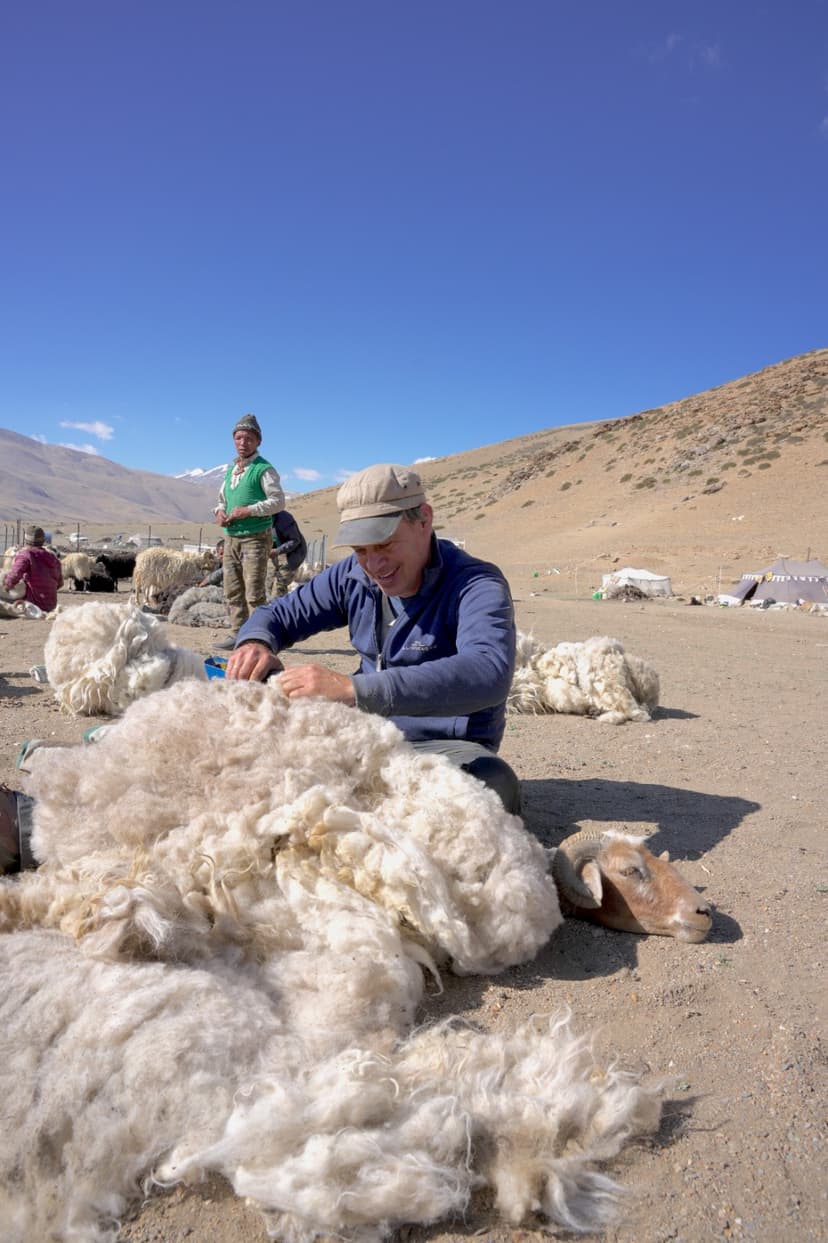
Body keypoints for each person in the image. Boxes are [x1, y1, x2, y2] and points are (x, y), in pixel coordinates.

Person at [226, 464, 521, 814]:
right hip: (361, 734)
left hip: (440, 748)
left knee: (488, 789)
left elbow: (487, 672)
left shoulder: (475, 584)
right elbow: (276, 615)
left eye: (384, 543)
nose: (373, 564)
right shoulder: (352, 574)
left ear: (424, 520)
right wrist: (255, 643)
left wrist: (356, 691)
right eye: (360, 549)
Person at [214, 414, 285, 649]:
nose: (243, 443)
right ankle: (237, 633)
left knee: (254, 590)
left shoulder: (264, 469)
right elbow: (222, 499)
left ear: (258, 442)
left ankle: (258, 637)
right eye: (239, 438)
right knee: (232, 588)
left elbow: (278, 501)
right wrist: (220, 512)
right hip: (231, 537)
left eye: (249, 438)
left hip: (255, 537)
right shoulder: (231, 470)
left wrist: (250, 510)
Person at [3, 525, 63, 613]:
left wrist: (7, 586)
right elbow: (60, 583)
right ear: (43, 541)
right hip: (51, 605)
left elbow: (15, 575)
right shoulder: (53, 557)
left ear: (27, 540)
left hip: (33, 605)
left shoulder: (26, 555)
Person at [265, 510, 308, 599]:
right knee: (266, 584)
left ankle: (277, 610)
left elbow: (295, 540)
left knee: (279, 588)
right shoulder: (257, 518)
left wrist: (278, 551)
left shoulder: (284, 519)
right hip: (273, 553)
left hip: (291, 554)